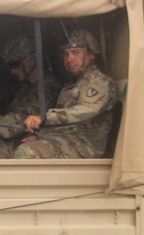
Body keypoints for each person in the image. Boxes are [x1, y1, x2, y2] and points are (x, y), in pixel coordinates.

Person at [13, 30, 116, 159]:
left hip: (84, 147)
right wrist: (39, 135)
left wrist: (45, 117)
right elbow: (64, 126)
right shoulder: (72, 84)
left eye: (76, 52)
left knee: (27, 152)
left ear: (91, 54)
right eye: (65, 54)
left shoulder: (99, 83)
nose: (69, 59)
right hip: (66, 141)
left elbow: (84, 111)